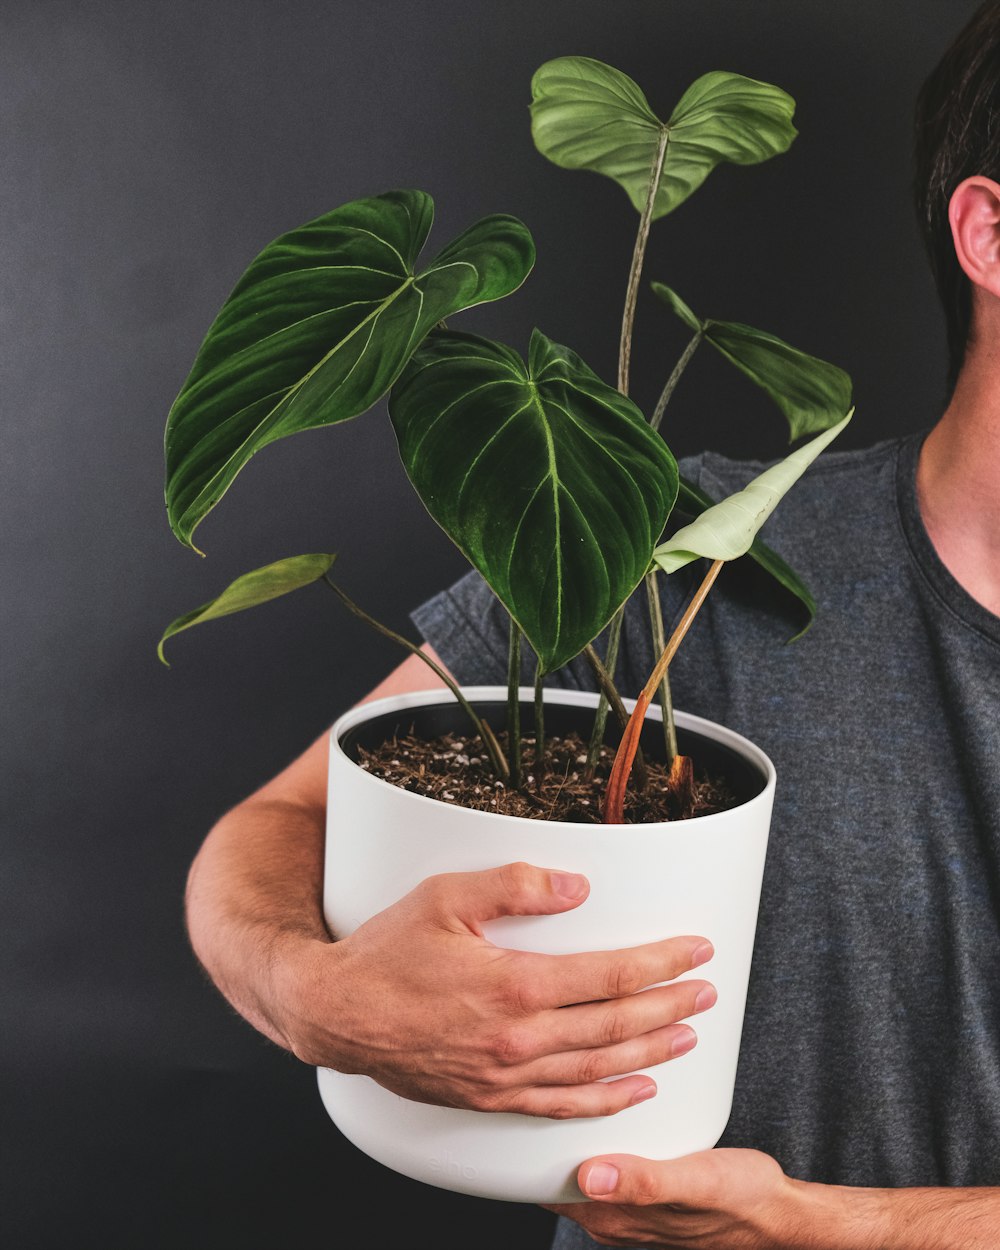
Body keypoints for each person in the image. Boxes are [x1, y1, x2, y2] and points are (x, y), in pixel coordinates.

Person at [184, 4, 1000, 1246]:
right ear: (990, 234)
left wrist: (838, 1227)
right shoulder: (677, 548)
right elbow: (278, 822)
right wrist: (315, 994)